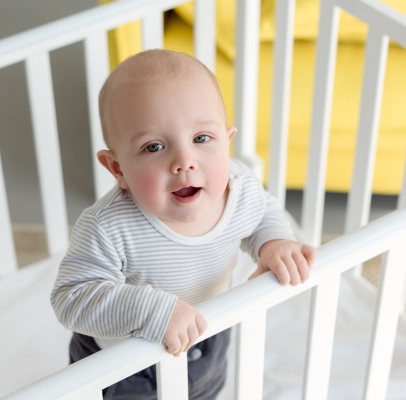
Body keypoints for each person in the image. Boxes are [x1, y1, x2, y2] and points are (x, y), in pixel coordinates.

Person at [50, 49, 316, 400]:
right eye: (154, 146)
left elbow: (261, 214)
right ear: (117, 169)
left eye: (202, 138)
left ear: (227, 142)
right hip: (123, 360)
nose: (184, 162)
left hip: (207, 335)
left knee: (205, 391)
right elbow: (71, 298)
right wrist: (152, 311)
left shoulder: (239, 188)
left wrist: (274, 242)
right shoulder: (108, 227)